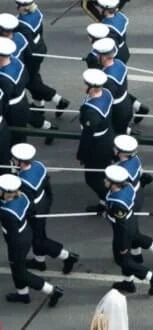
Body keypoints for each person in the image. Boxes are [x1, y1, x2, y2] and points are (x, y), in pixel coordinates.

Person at [11, 143, 79, 275]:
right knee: (39, 236)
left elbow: (24, 202)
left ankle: (67, 256)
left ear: (20, 161)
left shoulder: (23, 182)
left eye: (14, 159)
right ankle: (39, 261)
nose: (12, 161)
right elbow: (46, 183)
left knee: (37, 239)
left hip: (34, 211)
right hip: (44, 202)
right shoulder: (38, 165)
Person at [0, 173, 64, 308]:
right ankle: (23, 294)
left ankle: (51, 291)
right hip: (26, 233)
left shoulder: (6, 212)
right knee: (17, 267)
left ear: (6, 193)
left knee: (19, 271)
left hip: (17, 242)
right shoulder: (22, 197)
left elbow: (11, 233)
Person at [103, 164, 153, 297]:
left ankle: (152, 279)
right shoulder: (128, 187)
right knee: (136, 237)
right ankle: (128, 283)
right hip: (131, 220)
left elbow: (120, 227)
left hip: (123, 229)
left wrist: (122, 246)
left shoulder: (117, 202)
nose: (104, 180)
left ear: (113, 184)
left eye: (107, 179)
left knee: (123, 260)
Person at [78, 68, 115, 213]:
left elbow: (87, 137)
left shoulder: (91, 112)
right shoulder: (106, 94)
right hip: (107, 136)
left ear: (91, 87)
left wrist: (81, 155)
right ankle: (104, 201)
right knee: (102, 174)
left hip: (97, 146)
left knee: (93, 179)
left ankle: (110, 200)